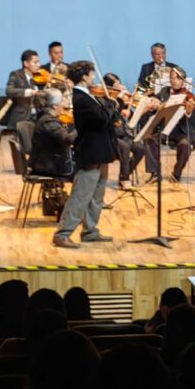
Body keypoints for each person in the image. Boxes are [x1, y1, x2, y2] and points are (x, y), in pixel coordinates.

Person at [53, 61, 117, 249]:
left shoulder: (89, 95)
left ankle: (90, 231)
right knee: (81, 195)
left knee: (96, 196)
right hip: (91, 152)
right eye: (92, 73)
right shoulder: (80, 97)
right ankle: (62, 233)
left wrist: (112, 105)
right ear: (84, 76)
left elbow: (107, 119)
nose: (94, 77)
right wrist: (111, 104)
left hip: (102, 151)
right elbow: (101, 119)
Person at [102, 72, 146, 190]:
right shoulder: (105, 100)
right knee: (125, 146)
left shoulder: (121, 100)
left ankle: (124, 175)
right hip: (110, 135)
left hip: (122, 133)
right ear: (109, 87)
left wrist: (128, 108)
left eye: (119, 84)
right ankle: (125, 179)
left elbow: (127, 116)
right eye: (116, 85)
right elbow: (108, 118)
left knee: (141, 149)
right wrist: (117, 100)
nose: (119, 87)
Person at [29, 89, 76, 179]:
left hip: (48, 163)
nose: (64, 104)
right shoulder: (48, 122)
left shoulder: (45, 118)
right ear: (54, 106)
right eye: (62, 101)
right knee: (89, 168)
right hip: (50, 167)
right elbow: (67, 140)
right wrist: (80, 126)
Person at [6, 49, 45, 130]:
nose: (39, 65)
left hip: (38, 116)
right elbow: (9, 91)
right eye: (35, 62)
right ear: (26, 63)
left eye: (39, 62)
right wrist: (29, 92)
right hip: (22, 116)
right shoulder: (16, 75)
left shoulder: (39, 77)